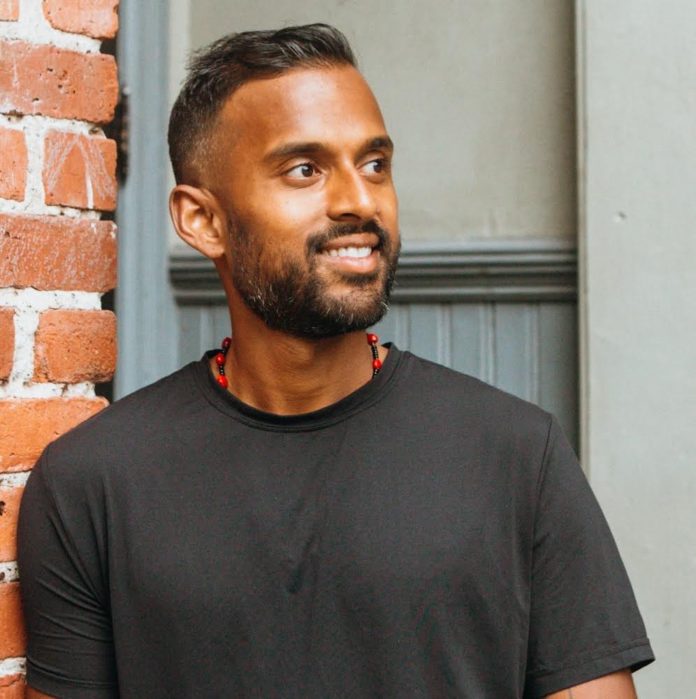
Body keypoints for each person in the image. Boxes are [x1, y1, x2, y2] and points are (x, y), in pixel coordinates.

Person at [19, 24, 654, 699]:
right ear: (203, 221)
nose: (359, 200)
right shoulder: (94, 482)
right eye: (305, 169)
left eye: (375, 164)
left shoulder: (518, 456)